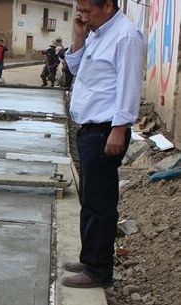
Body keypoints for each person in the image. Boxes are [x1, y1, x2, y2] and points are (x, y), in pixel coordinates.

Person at [61, 0, 142, 288]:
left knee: (100, 203)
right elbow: (75, 68)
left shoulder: (125, 36)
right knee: (90, 198)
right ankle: (90, 257)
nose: (83, 16)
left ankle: (99, 270)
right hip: (89, 130)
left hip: (106, 130)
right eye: (79, 11)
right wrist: (79, 38)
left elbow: (129, 86)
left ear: (108, 5)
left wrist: (119, 129)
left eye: (87, 11)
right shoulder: (97, 33)